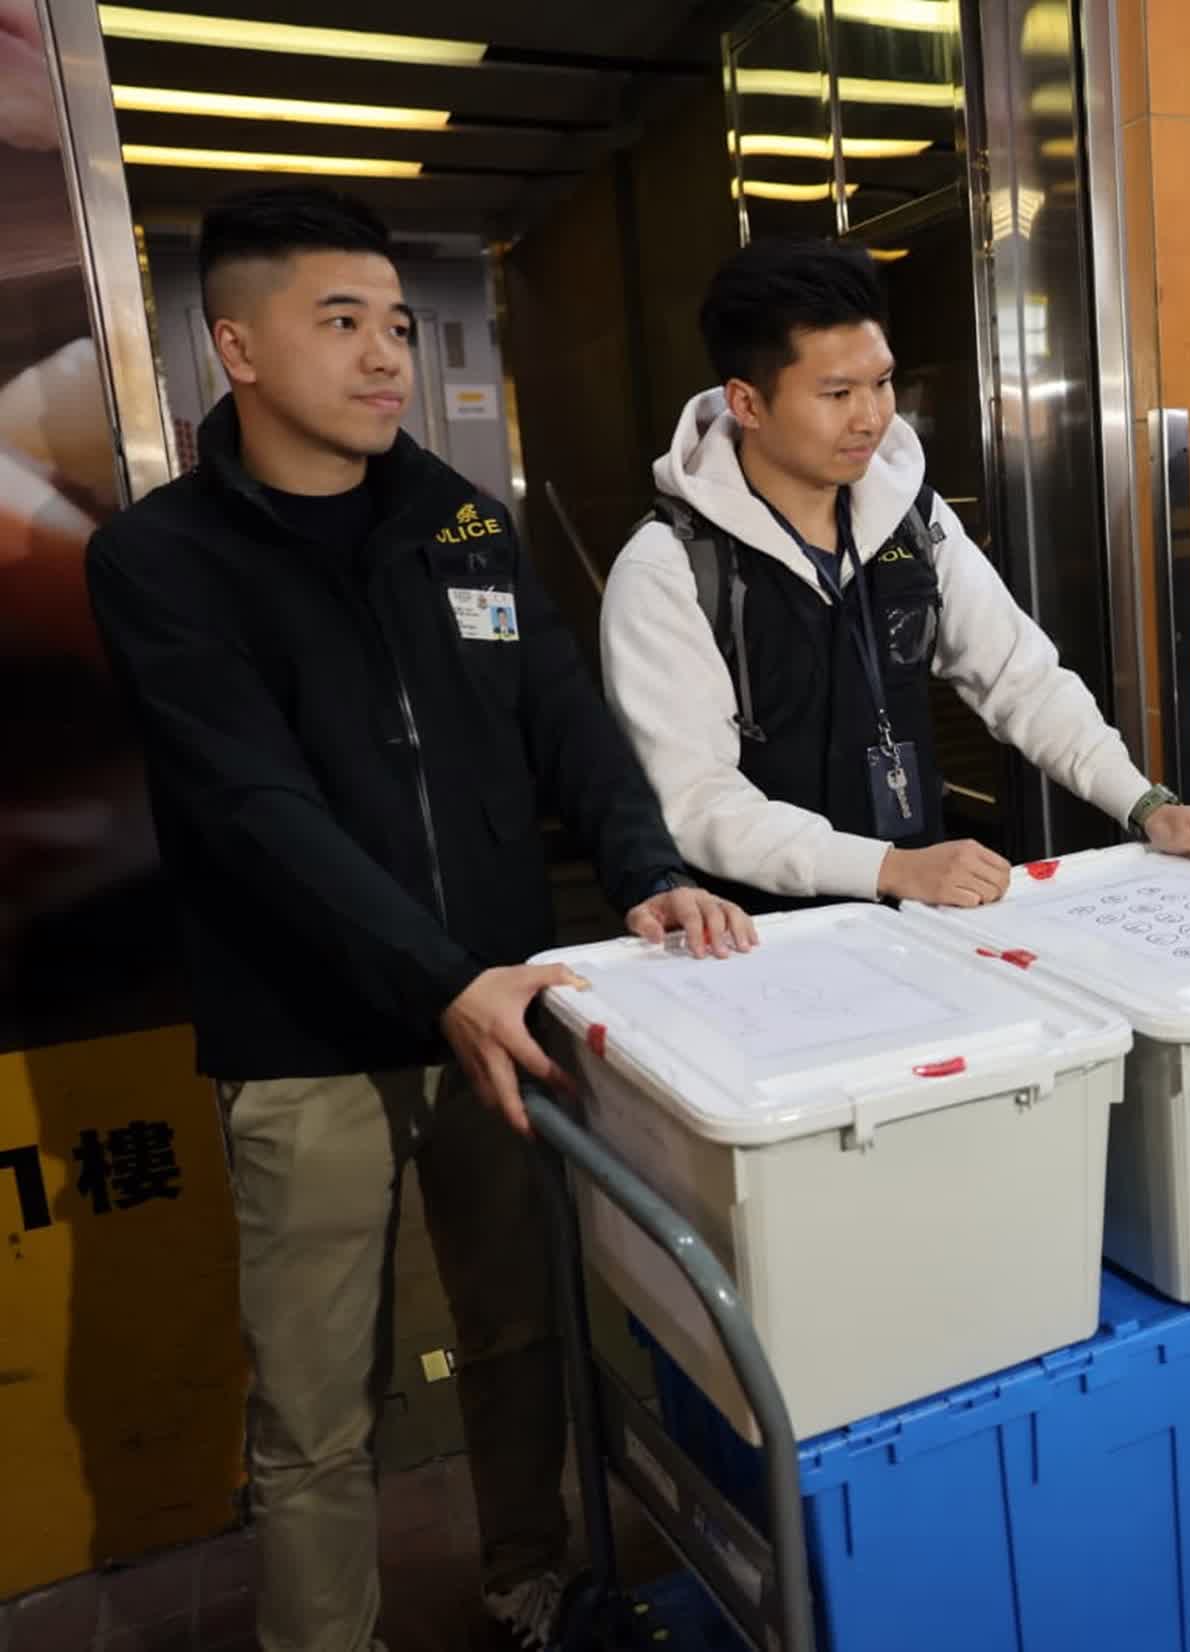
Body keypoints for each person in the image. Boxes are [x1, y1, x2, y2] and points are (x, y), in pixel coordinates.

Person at [85, 187, 753, 1652]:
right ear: (236, 348)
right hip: (305, 1041)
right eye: (341, 322)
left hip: (495, 1017)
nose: (386, 354)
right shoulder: (162, 559)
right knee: (315, 1402)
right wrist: (443, 973)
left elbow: (565, 721)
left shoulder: (463, 526)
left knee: (519, 1330)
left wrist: (643, 865)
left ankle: (527, 1577)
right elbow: (253, 806)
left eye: (395, 323)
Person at [600, 238, 1190, 912]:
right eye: (837, 393)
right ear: (746, 404)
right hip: (764, 935)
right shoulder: (670, 567)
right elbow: (697, 798)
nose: (871, 417)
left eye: (881, 382)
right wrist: (886, 867)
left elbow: (1021, 677)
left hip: (919, 913)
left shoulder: (912, 517)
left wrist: (1147, 805)